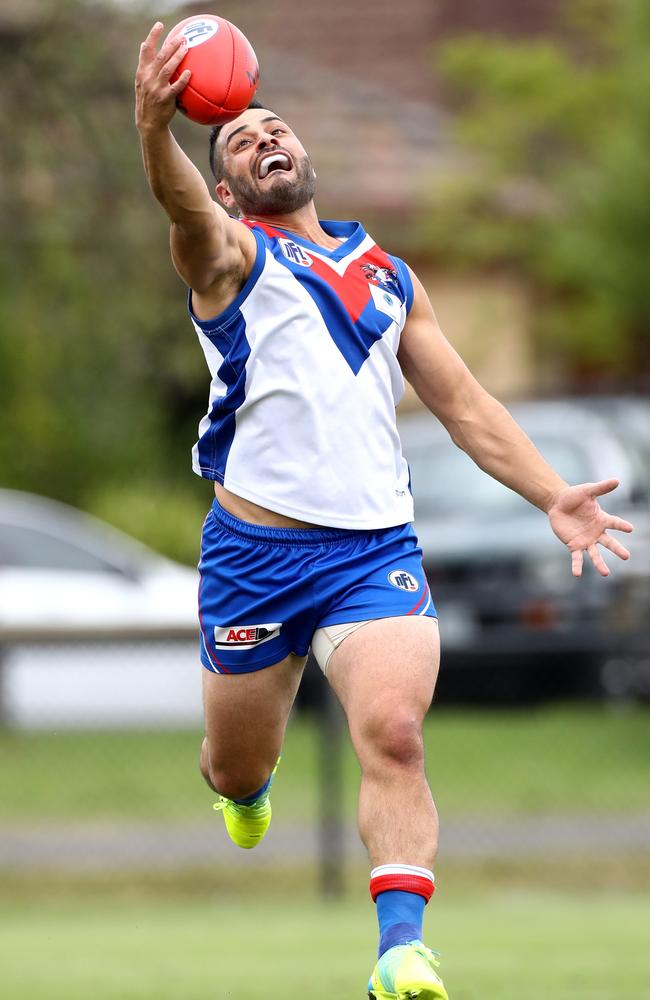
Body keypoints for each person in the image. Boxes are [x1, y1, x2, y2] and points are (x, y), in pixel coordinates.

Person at [135, 23, 633, 1000]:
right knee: (233, 767)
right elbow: (183, 213)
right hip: (253, 560)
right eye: (239, 141)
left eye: (273, 126)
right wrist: (154, 132)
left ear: (306, 155)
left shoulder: (390, 277)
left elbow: (465, 406)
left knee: (395, 734)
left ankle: (400, 950)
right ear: (227, 191)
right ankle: (247, 791)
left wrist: (551, 493)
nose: (263, 136)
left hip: (371, 554)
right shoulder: (230, 258)